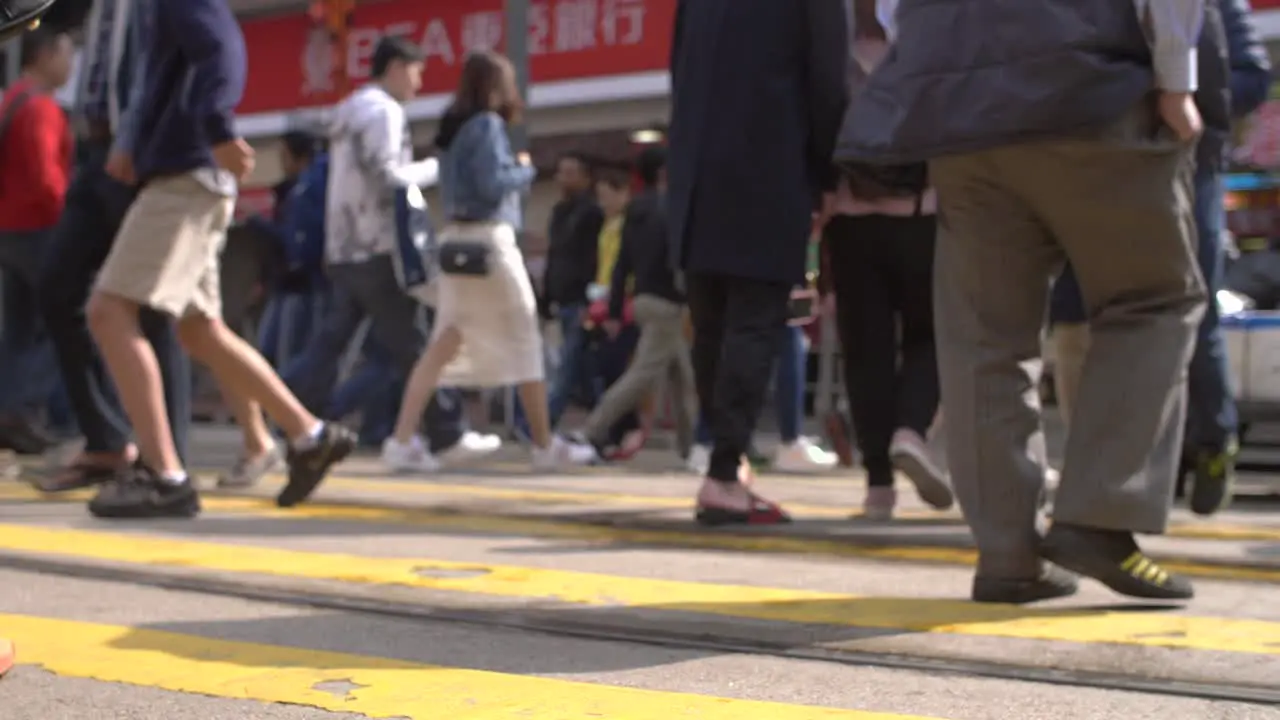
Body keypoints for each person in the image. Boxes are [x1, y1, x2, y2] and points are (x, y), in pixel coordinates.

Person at [842, 0, 1208, 602]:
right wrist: (1176, 77)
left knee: (986, 335)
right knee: (1153, 299)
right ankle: (1099, 516)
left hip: (956, 101)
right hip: (1087, 85)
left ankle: (1008, 555)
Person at [84, 0, 355, 518]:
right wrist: (137, 141)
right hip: (190, 174)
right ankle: (308, 434)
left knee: (109, 310)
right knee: (199, 330)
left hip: (185, 177)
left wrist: (217, 128)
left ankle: (164, 475)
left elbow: (219, 48)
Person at [1048, 0, 1272, 517]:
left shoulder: (1220, 8)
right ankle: (1113, 474)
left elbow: (1251, 75)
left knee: (1190, 311)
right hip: (1108, 166)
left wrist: (1187, 102)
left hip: (1189, 166)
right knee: (1090, 313)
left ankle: (1210, 442)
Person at [667, 0, 850, 525]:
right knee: (753, 322)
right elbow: (827, 84)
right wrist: (826, 177)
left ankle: (726, 462)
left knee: (712, 328)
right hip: (769, 166)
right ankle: (725, 475)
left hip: (697, 176)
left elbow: (679, 73)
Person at [283, 36, 498, 470]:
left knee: (331, 345)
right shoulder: (383, 111)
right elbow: (388, 177)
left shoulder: (349, 110)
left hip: (345, 248)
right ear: (396, 66)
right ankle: (447, 433)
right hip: (378, 248)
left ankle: (284, 418)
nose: (419, 84)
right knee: (414, 341)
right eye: (417, 72)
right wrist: (438, 168)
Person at [382, 50, 595, 471]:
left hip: (455, 245)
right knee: (524, 336)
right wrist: (524, 170)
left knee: (443, 343)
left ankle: (401, 440)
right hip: (491, 244)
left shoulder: (454, 128)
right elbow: (493, 185)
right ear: (498, 87)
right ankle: (543, 444)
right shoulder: (488, 125)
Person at [36, 0, 194, 494]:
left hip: (143, 152)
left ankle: (165, 460)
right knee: (57, 286)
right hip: (94, 152)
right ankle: (106, 439)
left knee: (148, 304)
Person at [822, 4, 951, 520]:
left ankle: (878, 486)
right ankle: (910, 431)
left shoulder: (834, 45)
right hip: (923, 214)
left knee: (866, 351)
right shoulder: (928, 35)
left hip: (850, 219)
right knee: (932, 335)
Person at [576, 146, 695, 460]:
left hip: (642, 299)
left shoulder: (634, 212)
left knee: (683, 375)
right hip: (669, 301)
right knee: (643, 373)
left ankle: (691, 446)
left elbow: (622, 263)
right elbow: (678, 257)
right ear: (663, 173)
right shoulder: (672, 207)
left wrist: (616, 308)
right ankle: (592, 428)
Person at [0, 27, 74, 455]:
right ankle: (22, 409)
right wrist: (71, 223)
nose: (69, 64)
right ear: (44, 55)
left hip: (8, 230)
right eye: (66, 52)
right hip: (39, 228)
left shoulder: (12, 99)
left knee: (18, 330)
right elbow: (48, 178)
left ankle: (9, 407)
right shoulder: (42, 107)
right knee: (68, 321)